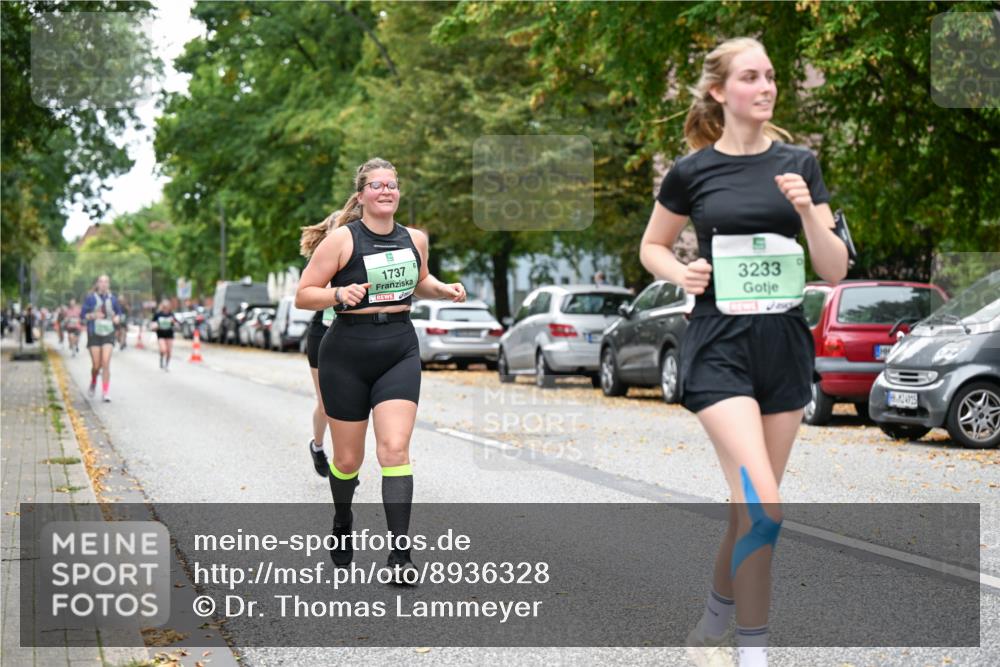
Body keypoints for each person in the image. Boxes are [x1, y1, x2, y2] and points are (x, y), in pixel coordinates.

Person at [639, 38, 848, 667]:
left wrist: (808, 212)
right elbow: (653, 244)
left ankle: (711, 624)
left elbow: (835, 270)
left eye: (771, 76)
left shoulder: (801, 165)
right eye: (750, 77)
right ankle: (750, 654)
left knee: (749, 510)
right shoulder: (692, 171)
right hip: (718, 346)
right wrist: (682, 275)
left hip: (783, 345)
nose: (766, 86)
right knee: (765, 509)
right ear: (718, 91)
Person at [296, 158, 466, 582]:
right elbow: (303, 294)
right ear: (362, 194)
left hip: (398, 349)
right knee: (348, 460)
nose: (386, 191)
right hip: (347, 352)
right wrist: (338, 293)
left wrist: (442, 289)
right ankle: (342, 519)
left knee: (394, 449)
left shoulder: (416, 239)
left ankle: (400, 556)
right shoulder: (341, 240)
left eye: (392, 184)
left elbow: (421, 280)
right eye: (377, 185)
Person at [298, 209, 341, 477]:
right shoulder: (322, 259)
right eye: (339, 225)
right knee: (327, 403)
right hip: (322, 332)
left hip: (352, 333)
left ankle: (343, 462)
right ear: (329, 231)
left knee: (348, 402)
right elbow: (305, 296)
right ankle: (318, 446)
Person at [81, 275, 125, 402]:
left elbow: (120, 313)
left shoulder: (113, 299)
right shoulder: (90, 299)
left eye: (106, 282)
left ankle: (105, 392)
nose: (104, 284)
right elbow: (83, 315)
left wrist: (117, 318)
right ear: (97, 284)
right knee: (96, 365)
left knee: (105, 362)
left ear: (109, 284)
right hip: (94, 333)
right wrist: (93, 315)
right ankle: (94, 381)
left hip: (108, 333)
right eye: (101, 281)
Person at [152, 299, 179, 371]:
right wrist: (155, 326)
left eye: (167, 306)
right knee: (163, 349)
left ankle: (166, 365)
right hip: (161, 334)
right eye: (164, 306)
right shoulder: (158, 314)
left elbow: (176, 324)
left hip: (169, 334)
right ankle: (161, 358)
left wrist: (174, 323)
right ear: (162, 306)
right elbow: (153, 324)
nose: (166, 308)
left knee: (169, 351)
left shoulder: (171, 314)